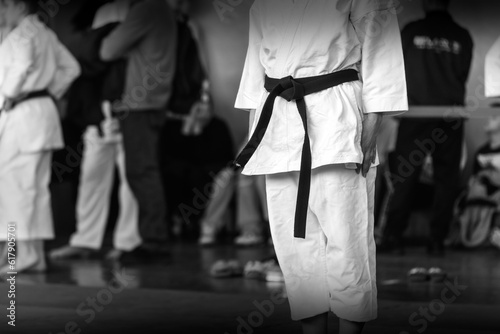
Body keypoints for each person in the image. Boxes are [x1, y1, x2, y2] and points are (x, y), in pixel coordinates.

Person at [235, 1, 407, 334]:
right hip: (277, 120)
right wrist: (255, 133)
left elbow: (380, 48)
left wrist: (372, 124)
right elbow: (253, 75)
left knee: (347, 237)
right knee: (293, 243)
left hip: (336, 118)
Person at [378, 0, 473, 256]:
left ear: (424, 3)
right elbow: (462, 73)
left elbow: (395, 69)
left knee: (405, 177)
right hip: (450, 116)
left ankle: (393, 237)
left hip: (416, 114)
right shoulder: (462, 36)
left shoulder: (410, 31)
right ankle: (437, 241)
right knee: (446, 180)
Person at [50, 0, 141, 262]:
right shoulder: (92, 46)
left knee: (130, 181)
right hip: (98, 117)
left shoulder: (136, 35)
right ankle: (86, 240)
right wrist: (96, 116)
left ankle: (127, 243)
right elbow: (88, 76)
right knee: (92, 179)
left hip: (127, 113)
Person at [0, 0, 80, 273]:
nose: (0, 11)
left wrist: (11, 94)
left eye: (4, 5)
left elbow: (21, 65)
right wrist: (47, 92)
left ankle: (22, 257)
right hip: (42, 115)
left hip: (22, 117)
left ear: (19, 6)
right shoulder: (44, 32)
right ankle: (34, 256)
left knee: (17, 191)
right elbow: (71, 68)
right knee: (35, 191)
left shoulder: (23, 32)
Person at [99, 0, 177, 254]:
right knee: (146, 170)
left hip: (140, 103)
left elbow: (107, 50)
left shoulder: (146, 8)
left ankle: (154, 242)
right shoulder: (163, 9)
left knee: (141, 172)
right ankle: (154, 238)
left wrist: (124, 44)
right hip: (155, 101)